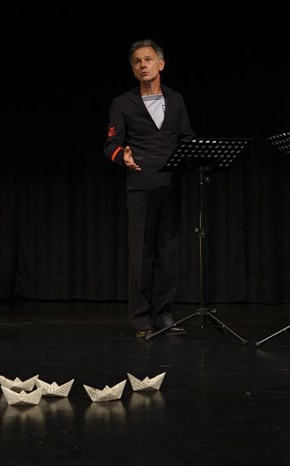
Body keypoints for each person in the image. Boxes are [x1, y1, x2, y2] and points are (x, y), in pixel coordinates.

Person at [104, 39, 195, 339]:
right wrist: (123, 157)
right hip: (141, 188)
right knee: (141, 254)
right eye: (137, 62)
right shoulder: (123, 103)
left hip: (170, 186)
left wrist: (192, 156)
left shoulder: (176, 100)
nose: (143, 65)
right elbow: (111, 145)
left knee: (167, 252)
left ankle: (164, 314)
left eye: (148, 59)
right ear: (133, 70)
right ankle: (141, 318)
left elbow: (186, 138)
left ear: (161, 63)